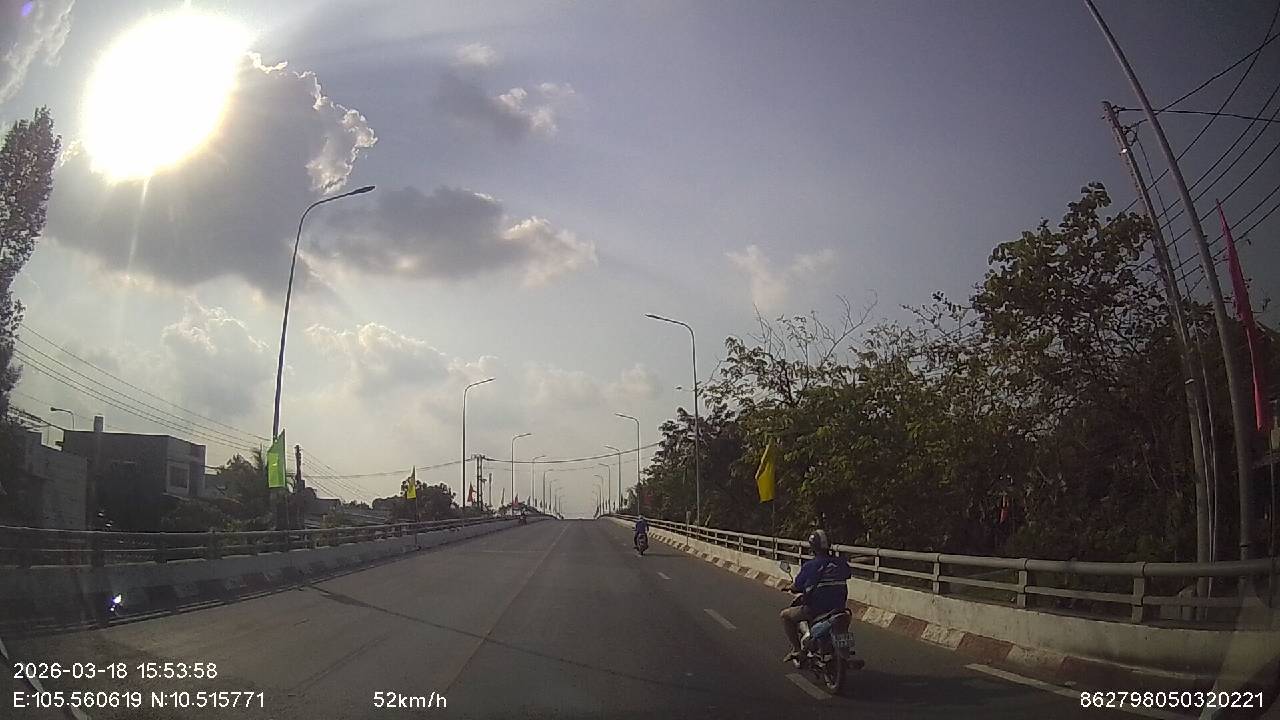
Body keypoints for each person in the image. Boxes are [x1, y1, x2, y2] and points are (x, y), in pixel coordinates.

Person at [780, 529, 851, 663]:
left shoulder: (811, 566)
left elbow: (797, 586)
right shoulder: (841, 563)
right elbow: (847, 574)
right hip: (839, 608)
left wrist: (789, 587)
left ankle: (797, 650)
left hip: (815, 609)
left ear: (812, 547)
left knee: (785, 616)